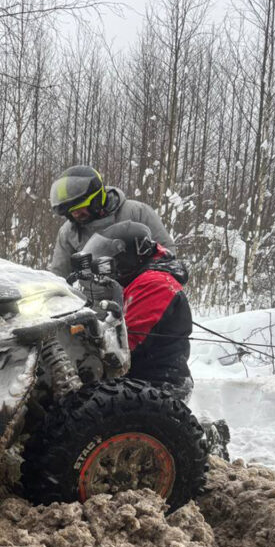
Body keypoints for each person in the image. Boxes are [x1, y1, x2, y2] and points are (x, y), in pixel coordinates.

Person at [83, 220, 193, 398]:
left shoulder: (153, 283)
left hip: (156, 385)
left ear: (131, 254)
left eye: (113, 258)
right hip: (142, 379)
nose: (110, 265)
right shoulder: (142, 278)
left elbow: (126, 344)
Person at [49, 165, 175, 278]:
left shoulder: (138, 212)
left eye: (80, 208)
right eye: (71, 211)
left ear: (96, 199)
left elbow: (167, 254)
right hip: (92, 294)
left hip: (140, 289)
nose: (76, 214)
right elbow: (58, 275)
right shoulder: (69, 231)